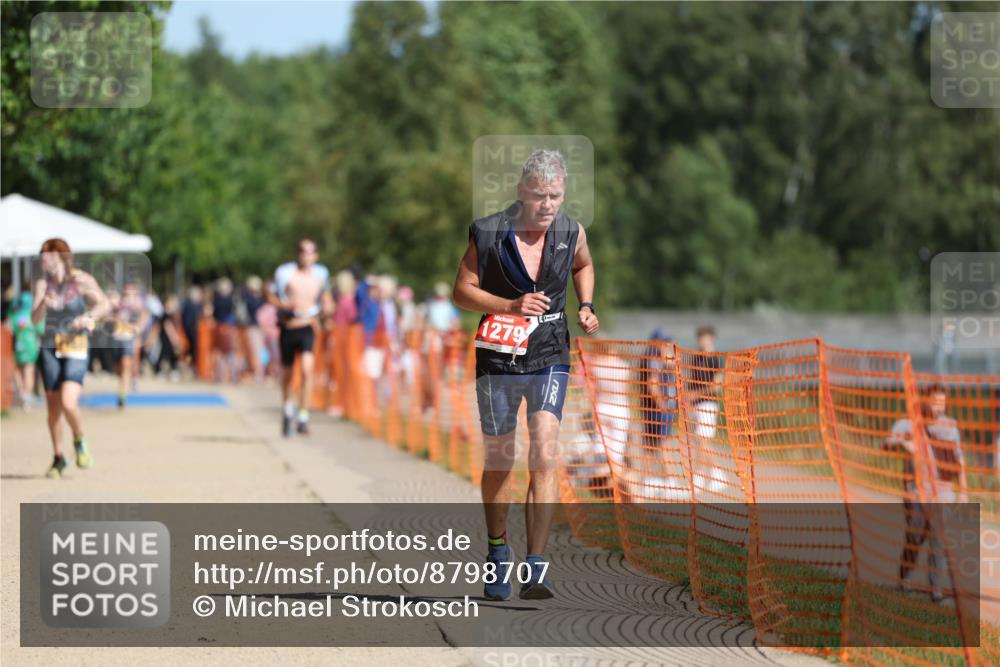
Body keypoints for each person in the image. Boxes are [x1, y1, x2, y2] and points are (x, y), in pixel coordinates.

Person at [452, 149, 599, 600]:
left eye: (555, 195)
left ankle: (537, 566)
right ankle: (498, 552)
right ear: (521, 192)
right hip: (498, 357)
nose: (548, 204)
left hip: (550, 352)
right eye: (540, 196)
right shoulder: (489, 232)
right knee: (501, 459)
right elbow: (461, 291)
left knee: (546, 450)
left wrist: (587, 305)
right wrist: (510, 306)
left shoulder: (571, 232)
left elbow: (584, 266)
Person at [31, 238, 110, 478]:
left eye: (48, 253)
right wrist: (44, 303)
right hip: (49, 347)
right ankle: (58, 457)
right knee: (53, 408)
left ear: (61, 256)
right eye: (42, 254)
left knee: (68, 401)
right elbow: (34, 320)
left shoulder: (81, 280)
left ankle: (79, 438)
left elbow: (104, 304)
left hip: (75, 344)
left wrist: (89, 318)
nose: (43, 257)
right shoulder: (42, 284)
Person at [884, 382, 968, 603]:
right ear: (926, 400)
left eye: (942, 403)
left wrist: (964, 490)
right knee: (914, 539)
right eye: (935, 402)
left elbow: (959, 459)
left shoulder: (950, 426)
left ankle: (936, 592)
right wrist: (904, 443)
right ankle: (904, 582)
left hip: (943, 493)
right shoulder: (909, 423)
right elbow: (886, 443)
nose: (939, 407)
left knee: (938, 541)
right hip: (916, 491)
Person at [269, 239, 331, 436]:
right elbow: (270, 295)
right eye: (303, 251)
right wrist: (284, 306)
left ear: (316, 255)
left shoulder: (321, 274)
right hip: (289, 326)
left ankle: (303, 415)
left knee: (306, 370)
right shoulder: (285, 273)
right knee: (287, 374)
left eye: (310, 251)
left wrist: (328, 309)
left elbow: (326, 298)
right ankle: (288, 408)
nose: (306, 255)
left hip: (308, 326)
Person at [685, 325, 727, 494]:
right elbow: (691, 380)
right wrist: (689, 397)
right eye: (700, 337)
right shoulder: (696, 357)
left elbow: (717, 386)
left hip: (708, 404)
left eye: (704, 337)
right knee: (698, 441)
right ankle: (712, 475)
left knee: (703, 441)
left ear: (711, 338)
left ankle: (709, 475)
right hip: (696, 405)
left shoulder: (715, 359)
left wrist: (697, 394)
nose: (701, 340)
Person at [110, 281, 149, 408]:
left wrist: (139, 328)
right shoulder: (118, 302)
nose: (129, 295)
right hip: (116, 338)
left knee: (126, 364)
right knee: (117, 367)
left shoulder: (138, 304)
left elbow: (145, 315)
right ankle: (125, 381)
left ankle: (122, 396)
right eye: (127, 293)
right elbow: (109, 314)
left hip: (129, 338)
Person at [11, 291, 43, 408]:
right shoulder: (33, 315)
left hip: (18, 347)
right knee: (29, 372)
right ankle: (27, 398)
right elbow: (40, 329)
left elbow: (11, 330)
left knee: (18, 371)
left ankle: (21, 394)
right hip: (31, 347)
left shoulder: (15, 316)